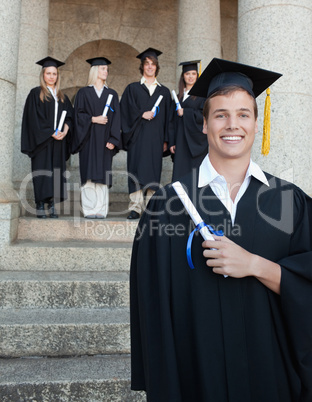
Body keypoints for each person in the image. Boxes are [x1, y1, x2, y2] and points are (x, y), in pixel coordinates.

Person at [130, 58, 312, 401]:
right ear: (204, 124)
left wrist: (255, 265)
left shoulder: (290, 201)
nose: (233, 125)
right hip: (194, 377)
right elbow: (153, 310)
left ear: (257, 123)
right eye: (220, 114)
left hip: (270, 376)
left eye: (244, 114)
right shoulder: (166, 205)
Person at [120, 47, 172, 220]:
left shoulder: (164, 92)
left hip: (155, 139)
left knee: (152, 172)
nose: (150, 67)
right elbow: (124, 111)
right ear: (142, 67)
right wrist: (141, 114)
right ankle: (135, 207)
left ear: (157, 67)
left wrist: (166, 139)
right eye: (146, 64)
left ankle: (150, 208)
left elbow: (168, 119)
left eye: (153, 64)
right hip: (137, 137)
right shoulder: (132, 89)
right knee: (135, 171)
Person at [21, 56, 73, 219]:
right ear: (43, 75)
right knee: (42, 171)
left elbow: (69, 116)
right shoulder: (36, 93)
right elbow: (33, 118)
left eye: (54, 74)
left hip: (58, 141)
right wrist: (50, 131)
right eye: (48, 73)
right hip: (42, 141)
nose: (51, 76)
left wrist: (65, 130)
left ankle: (51, 204)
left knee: (56, 171)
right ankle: (40, 204)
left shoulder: (62, 96)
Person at [72, 57, 121, 219]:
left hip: (105, 141)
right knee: (88, 176)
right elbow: (77, 116)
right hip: (88, 140)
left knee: (102, 175)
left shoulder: (111, 94)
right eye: (102, 69)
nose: (105, 71)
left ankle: (101, 209)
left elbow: (116, 119)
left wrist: (114, 140)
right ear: (94, 71)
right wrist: (93, 119)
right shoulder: (83, 93)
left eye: (106, 69)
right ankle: (88, 209)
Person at [169, 60, 207, 181]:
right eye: (187, 74)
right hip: (180, 140)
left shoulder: (203, 96)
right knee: (181, 174)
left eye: (193, 74)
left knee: (195, 174)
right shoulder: (179, 96)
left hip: (196, 142)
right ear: (183, 76)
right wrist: (172, 142)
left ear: (197, 75)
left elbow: (205, 116)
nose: (190, 77)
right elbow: (172, 121)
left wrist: (186, 112)